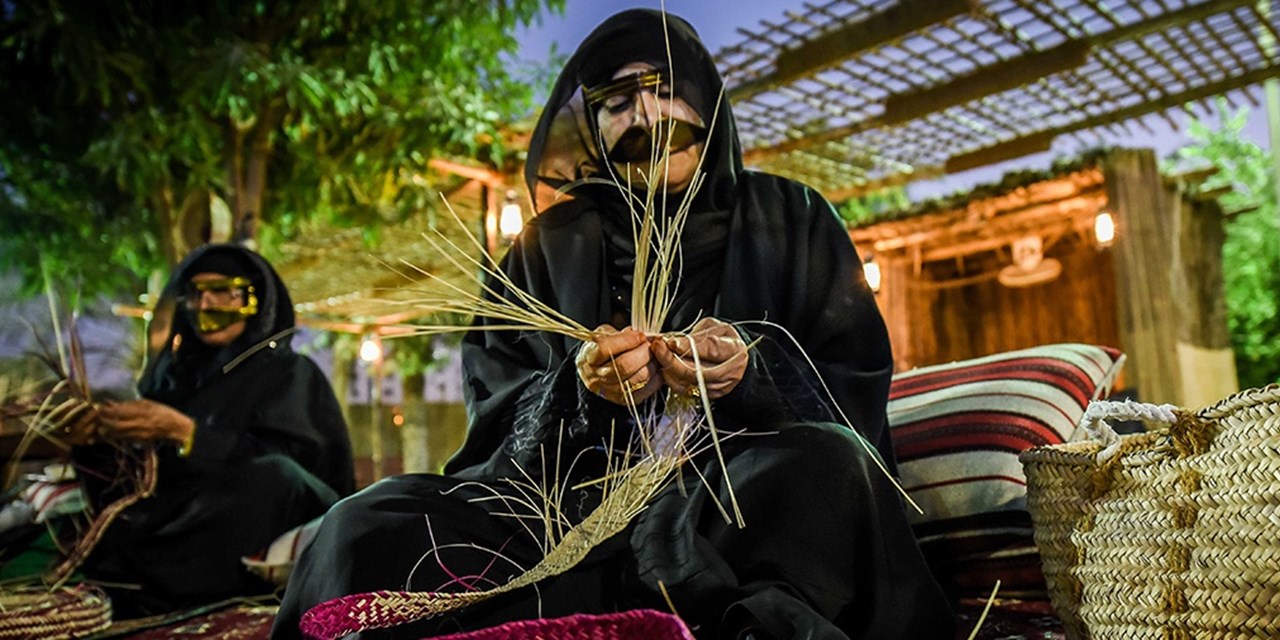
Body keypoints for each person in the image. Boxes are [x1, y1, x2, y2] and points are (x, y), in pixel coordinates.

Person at [274, 9, 952, 639]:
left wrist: (749, 371)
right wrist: (577, 390)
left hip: (731, 498)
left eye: (661, 89)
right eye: (616, 103)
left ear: (705, 99)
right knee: (361, 524)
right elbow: (494, 402)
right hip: (558, 516)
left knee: (829, 465)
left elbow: (852, 380)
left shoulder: (794, 217)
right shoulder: (547, 244)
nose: (642, 116)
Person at [72, 243, 355, 616]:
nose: (205, 306)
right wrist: (98, 440)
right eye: (195, 294)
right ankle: (134, 576)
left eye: (222, 291)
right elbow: (156, 476)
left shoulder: (289, 372)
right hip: (199, 512)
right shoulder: (178, 378)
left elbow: (294, 468)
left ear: (253, 298)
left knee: (273, 476)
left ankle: (157, 580)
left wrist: (190, 435)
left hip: (278, 507)